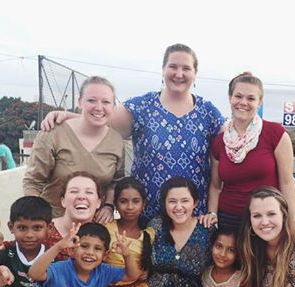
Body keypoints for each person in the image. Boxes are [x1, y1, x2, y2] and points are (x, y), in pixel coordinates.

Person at [41, 44, 225, 222]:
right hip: (144, 212)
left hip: (192, 216)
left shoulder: (209, 113)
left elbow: (222, 163)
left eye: (186, 68)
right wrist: (68, 116)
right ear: (163, 70)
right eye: (173, 67)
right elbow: (101, 122)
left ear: (195, 73)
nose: (179, 74)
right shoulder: (141, 106)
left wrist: (212, 212)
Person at [203, 73, 295, 236]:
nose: (243, 102)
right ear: (230, 98)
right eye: (238, 96)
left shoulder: (275, 134)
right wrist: (212, 213)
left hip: (265, 222)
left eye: (251, 98)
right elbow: (215, 186)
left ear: (260, 102)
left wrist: (293, 220)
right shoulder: (220, 141)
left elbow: (286, 182)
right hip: (228, 222)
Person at [24, 76, 124, 223]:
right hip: (53, 223)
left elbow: (115, 182)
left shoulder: (116, 141)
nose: (99, 107)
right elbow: (33, 181)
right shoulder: (53, 133)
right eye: (91, 100)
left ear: (113, 106)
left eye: (106, 102)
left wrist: (108, 206)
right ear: (80, 102)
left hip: (93, 228)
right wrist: (35, 219)